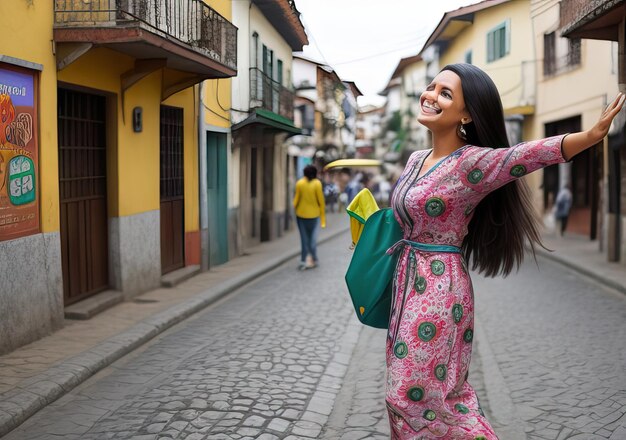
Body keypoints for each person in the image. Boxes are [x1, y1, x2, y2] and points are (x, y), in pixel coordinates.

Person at [385, 63, 623, 439]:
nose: (430, 95)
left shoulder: (472, 163)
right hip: (405, 283)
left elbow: (526, 155)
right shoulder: (415, 160)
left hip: (438, 290)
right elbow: (402, 217)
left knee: (410, 396)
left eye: (445, 93)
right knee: (425, 397)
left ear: (466, 114)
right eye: (432, 87)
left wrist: (591, 135)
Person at [293, 164, 326, 270]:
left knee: (304, 239)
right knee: (312, 239)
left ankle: (303, 260)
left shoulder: (300, 183)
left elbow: (296, 201)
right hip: (314, 216)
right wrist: (323, 220)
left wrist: (292, 213)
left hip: (301, 216)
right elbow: (321, 201)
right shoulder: (317, 183)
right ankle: (314, 258)